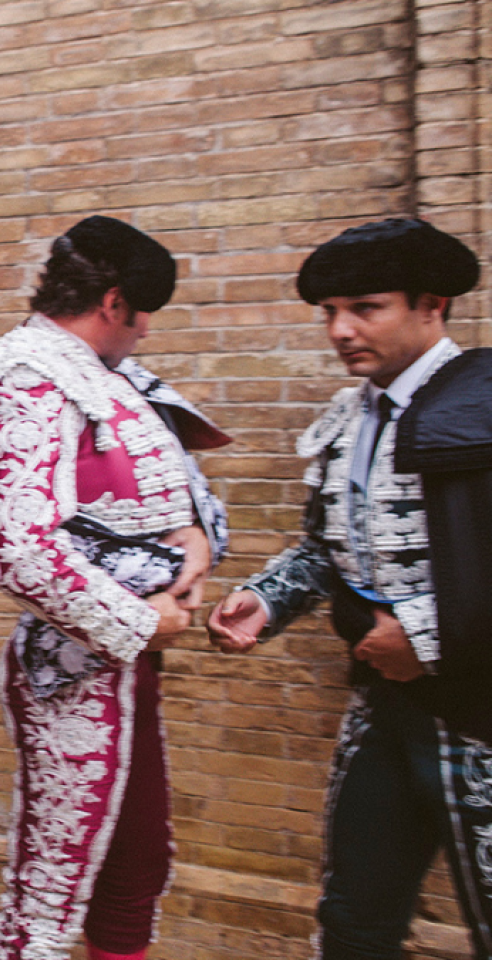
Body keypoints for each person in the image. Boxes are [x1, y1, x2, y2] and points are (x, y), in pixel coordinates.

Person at [207, 218, 492, 960]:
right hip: (385, 708)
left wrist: (423, 634)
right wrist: (266, 600)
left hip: (480, 705)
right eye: (330, 311)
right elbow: (329, 553)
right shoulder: (347, 419)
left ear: (432, 305)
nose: (340, 330)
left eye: (366, 307)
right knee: (354, 922)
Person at [0, 216, 236, 960]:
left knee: (139, 862)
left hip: (124, 667)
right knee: (49, 895)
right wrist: (142, 623)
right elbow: (20, 549)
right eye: (143, 316)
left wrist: (198, 538)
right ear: (114, 303)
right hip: (72, 672)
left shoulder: (100, 374)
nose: (145, 333)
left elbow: (181, 482)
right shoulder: (30, 376)